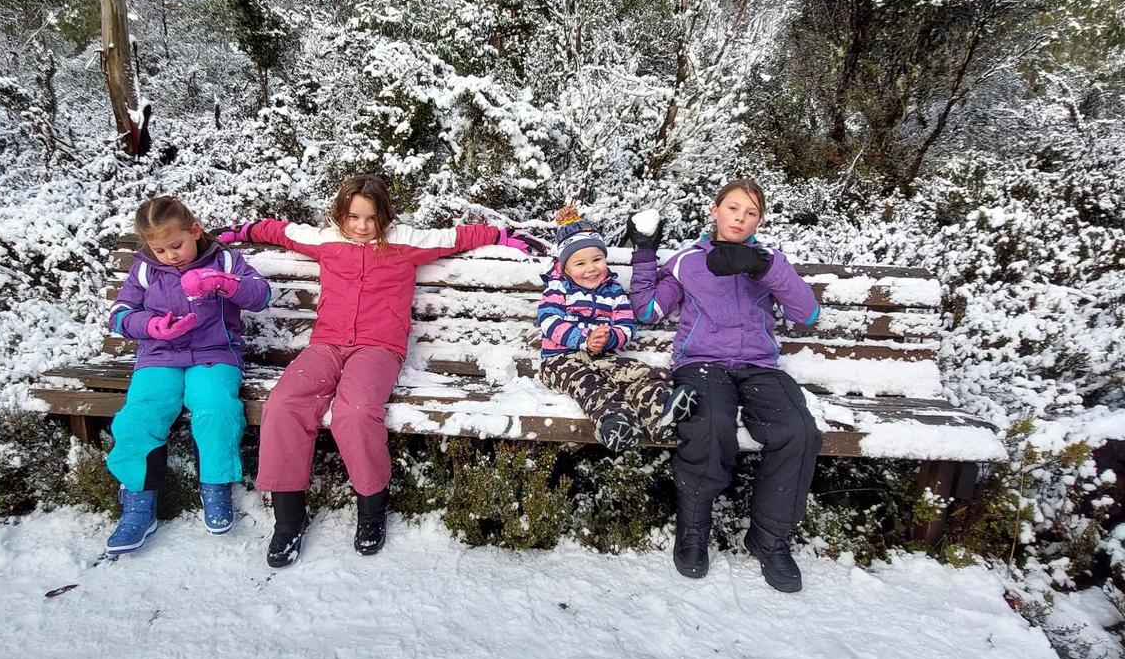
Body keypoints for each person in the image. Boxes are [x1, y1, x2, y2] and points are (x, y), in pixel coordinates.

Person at [217, 175, 545, 568]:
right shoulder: (327, 240)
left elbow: (456, 237)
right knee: (284, 404)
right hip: (326, 345)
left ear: (384, 216)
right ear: (341, 214)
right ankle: (288, 519)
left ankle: (371, 511)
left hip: (378, 350)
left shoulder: (406, 243)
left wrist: (506, 237)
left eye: (370, 218)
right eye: (353, 216)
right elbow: (280, 231)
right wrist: (237, 232)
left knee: (354, 412)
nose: (360, 226)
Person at [627, 179, 822, 592]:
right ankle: (694, 530)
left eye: (751, 213)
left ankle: (770, 540)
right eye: (733, 208)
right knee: (708, 424)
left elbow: (806, 315)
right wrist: (644, 253)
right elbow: (647, 310)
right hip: (702, 364)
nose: (740, 218)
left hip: (758, 365)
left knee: (798, 431)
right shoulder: (688, 261)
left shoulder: (771, 261)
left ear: (760, 220)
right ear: (714, 210)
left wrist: (764, 268)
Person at [103, 195, 271, 556]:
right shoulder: (145, 269)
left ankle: (216, 487)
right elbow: (118, 313)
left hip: (214, 355)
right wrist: (150, 325)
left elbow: (260, 295)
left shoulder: (224, 259)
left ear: (195, 231)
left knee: (216, 411)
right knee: (139, 417)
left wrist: (224, 283)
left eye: (176, 245)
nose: (170, 256)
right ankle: (137, 504)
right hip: (160, 355)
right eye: (160, 249)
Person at [536, 206, 697, 452]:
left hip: (603, 355)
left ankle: (661, 415)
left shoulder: (613, 291)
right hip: (559, 361)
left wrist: (611, 338)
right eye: (580, 263)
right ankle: (616, 424)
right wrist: (584, 339)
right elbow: (549, 321)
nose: (590, 268)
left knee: (637, 374)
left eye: (597, 259)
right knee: (591, 386)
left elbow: (627, 326)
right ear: (565, 267)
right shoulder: (558, 289)